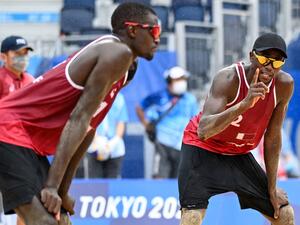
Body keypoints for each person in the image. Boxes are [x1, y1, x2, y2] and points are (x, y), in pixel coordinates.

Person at [0, 2, 160, 225]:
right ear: (132, 30)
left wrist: (62, 190)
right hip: (8, 129)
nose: (157, 38)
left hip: (28, 140)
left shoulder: (126, 68)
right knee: (42, 221)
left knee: (58, 219)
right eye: (154, 30)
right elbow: (79, 119)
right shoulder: (117, 52)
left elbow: (87, 128)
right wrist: (52, 187)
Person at [179, 33, 295, 225]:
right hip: (202, 148)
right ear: (251, 56)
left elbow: (273, 138)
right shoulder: (229, 78)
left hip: (238, 153)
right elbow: (204, 130)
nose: (269, 66)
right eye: (264, 59)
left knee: (284, 214)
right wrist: (244, 104)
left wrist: (271, 187)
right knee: (191, 218)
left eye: (277, 62)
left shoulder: (284, 84)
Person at [136, 66, 198, 178]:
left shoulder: (190, 100)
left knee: (180, 181)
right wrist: (146, 125)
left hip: (182, 146)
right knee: (160, 178)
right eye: (178, 80)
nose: (182, 83)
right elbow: (140, 107)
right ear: (169, 82)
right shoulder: (159, 96)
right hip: (162, 144)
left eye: (183, 80)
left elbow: (196, 122)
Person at [0, 35, 35, 225]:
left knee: (27, 198)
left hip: (24, 147)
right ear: (3, 57)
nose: (22, 58)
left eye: (25, 53)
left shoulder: (30, 79)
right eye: (17, 53)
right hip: (4, 146)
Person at [87, 92, 128, 178]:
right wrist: (96, 139)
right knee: (95, 183)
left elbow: (121, 122)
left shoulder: (119, 98)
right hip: (94, 145)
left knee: (113, 183)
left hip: (114, 148)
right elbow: (87, 120)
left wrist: (113, 143)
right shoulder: (92, 95)